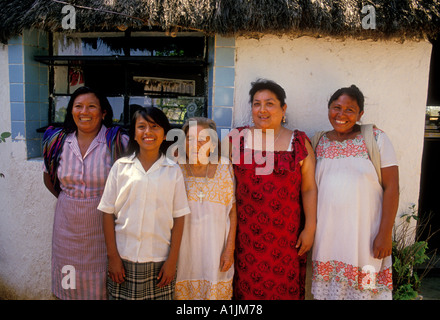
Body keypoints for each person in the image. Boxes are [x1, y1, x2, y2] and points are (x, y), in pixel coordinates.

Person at [228, 79, 317, 300]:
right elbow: (221, 183)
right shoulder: (237, 139)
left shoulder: (298, 142)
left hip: (286, 238)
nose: (262, 109)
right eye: (256, 104)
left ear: (283, 108)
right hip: (245, 237)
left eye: (269, 103)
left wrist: (310, 228)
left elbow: (308, 188)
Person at [311, 85, 399, 300]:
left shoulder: (376, 138)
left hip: (366, 238)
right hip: (328, 238)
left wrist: (385, 234)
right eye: (336, 107)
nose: (341, 115)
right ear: (328, 109)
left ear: (360, 114)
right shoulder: (318, 142)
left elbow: (392, 188)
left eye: (350, 110)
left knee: (365, 291)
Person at [42, 86, 128, 300]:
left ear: (104, 112)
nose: (84, 111)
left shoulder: (118, 142)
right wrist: (73, 201)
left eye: (92, 106)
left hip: (104, 227)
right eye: (78, 106)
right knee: (67, 280)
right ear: (71, 111)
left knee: (100, 284)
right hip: (66, 226)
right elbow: (49, 179)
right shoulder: (58, 142)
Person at [98, 106, 190, 300]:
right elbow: (107, 212)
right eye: (141, 127)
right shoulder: (120, 168)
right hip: (123, 258)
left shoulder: (173, 171)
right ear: (134, 134)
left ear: (165, 134)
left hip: (160, 260)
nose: (148, 132)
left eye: (154, 126)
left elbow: (179, 217)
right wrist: (113, 257)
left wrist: (172, 260)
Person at [174, 117, 237, 300]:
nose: (196, 145)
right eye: (190, 138)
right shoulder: (175, 168)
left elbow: (232, 211)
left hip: (216, 255)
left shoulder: (225, 166)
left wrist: (229, 249)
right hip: (183, 255)